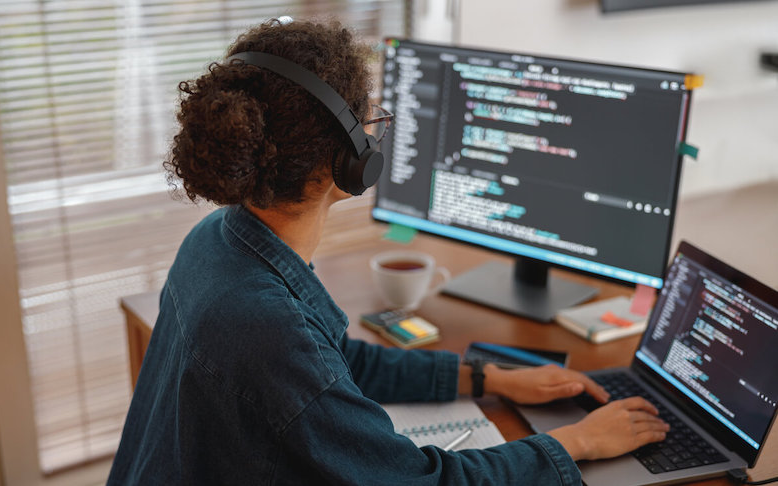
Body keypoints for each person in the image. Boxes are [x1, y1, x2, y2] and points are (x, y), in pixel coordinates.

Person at [107, 18, 669, 485]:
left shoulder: (219, 240)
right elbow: (417, 482)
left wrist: (487, 378)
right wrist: (577, 443)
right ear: (346, 161)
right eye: (368, 124)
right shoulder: (267, 326)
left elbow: (334, 365)